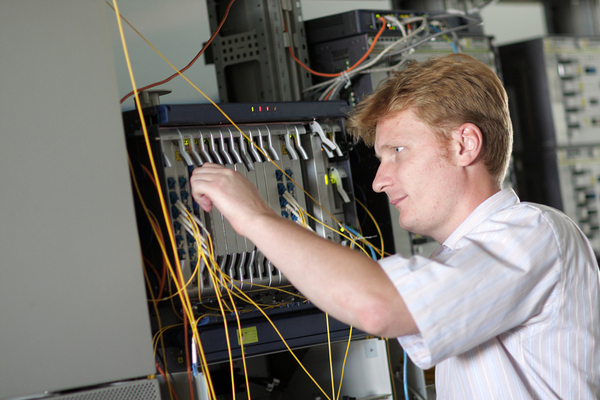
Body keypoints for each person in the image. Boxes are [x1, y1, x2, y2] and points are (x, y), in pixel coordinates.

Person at [190, 53, 600, 399]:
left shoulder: (534, 233)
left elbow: (377, 306)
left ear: (464, 145)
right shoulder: (466, 254)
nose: (378, 180)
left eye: (398, 151)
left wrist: (255, 218)